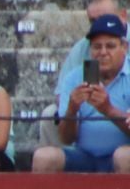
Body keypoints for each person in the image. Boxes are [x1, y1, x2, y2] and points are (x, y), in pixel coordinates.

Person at [33, 13, 130, 174]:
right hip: (83, 155)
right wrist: (72, 110)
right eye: (97, 47)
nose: (103, 52)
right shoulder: (76, 77)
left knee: (125, 157)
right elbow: (66, 139)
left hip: (121, 153)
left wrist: (109, 110)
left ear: (124, 47)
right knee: (44, 157)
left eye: (110, 46)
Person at [56, 0, 122, 104]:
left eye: (104, 18)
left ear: (122, 16)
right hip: (90, 108)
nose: (99, 25)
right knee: (49, 111)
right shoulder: (83, 47)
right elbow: (62, 94)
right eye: (93, 21)